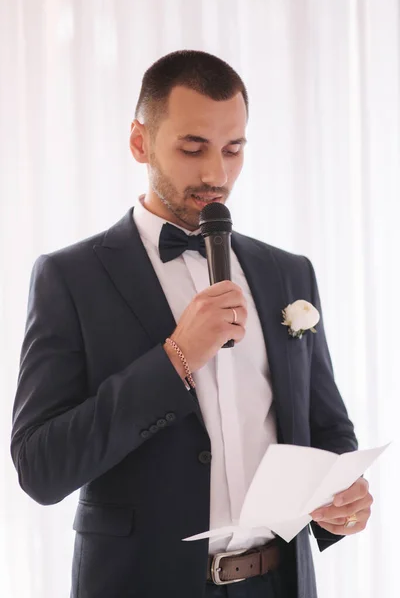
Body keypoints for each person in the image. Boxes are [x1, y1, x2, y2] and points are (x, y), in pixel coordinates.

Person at [10, 50, 373, 598]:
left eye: (233, 149)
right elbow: (41, 468)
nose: (216, 174)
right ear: (140, 142)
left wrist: (343, 492)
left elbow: (325, 426)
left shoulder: (288, 272)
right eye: (192, 147)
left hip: (277, 584)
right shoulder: (71, 277)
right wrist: (176, 356)